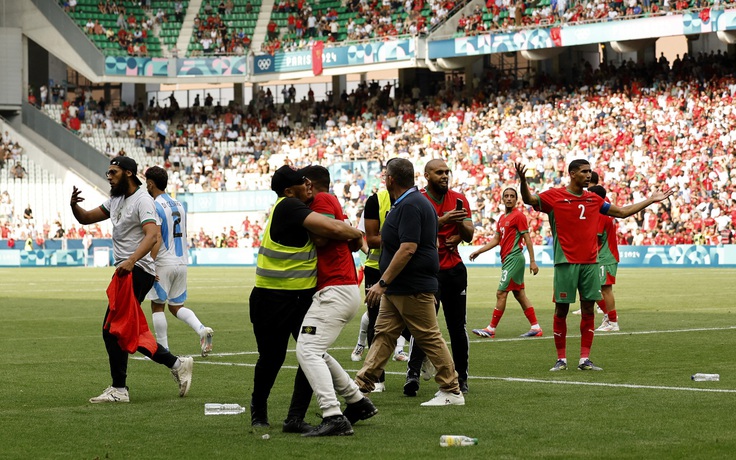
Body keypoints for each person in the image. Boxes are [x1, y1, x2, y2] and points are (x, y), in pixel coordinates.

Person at [515, 160, 674, 371]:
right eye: (584, 172)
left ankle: (584, 359)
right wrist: (524, 181)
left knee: (588, 309)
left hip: (590, 263)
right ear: (572, 174)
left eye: (590, 171)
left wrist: (651, 200)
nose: (589, 175)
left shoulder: (594, 199)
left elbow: (623, 212)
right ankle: (561, 359)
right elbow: (529, 199)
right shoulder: (554, 196)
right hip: (565, 263)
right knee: (561, 310)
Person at [70, 156, 193, 403]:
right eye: (108, 172)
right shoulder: (116, 200)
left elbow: (152, 235)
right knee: (121, 330)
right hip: (127, 271)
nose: (108, 176)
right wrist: (74, 205)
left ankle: (120, 389)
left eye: (113, 172)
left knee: (112, 330)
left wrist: (132, 260)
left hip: (136, 271)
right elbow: (85, 218)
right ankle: (176, 363)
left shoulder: (144, 200)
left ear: (128, 173)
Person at [249, 165, 363, 430]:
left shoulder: (297, 206)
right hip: (272, 299)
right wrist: (357, 234)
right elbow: (332, 229)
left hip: (300, 298)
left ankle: (295, 418)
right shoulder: (289, 206)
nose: (309, 184)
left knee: (309, 353)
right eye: (303, 182)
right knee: (272, 357)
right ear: (289, 191)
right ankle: (259, 411)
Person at [356, 158, 464, 407]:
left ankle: (452, 390)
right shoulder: (411, 202)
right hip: (400, 287)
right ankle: (361, 386)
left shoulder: (410, 204)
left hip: (411, 285)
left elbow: (408, 248)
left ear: (389, 179)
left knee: (429, 337)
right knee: (383, 335)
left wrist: (382, 282)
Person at [295, 165, 377, 437]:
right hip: (339, 287)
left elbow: (321, 236)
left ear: (308, 183)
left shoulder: (322, 199)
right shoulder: (330, 202)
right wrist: (350, 230)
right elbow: (352, 241)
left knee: (307, 350)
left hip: (335, 289)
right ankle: (357, 401)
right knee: (315, 350)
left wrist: (348, 231)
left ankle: (333, 414)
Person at [404, 159, 474, 398]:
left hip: (454, 270)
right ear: (426, 175)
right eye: (439, 172)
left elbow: (470, 235)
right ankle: (412, 374)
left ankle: (461, 377)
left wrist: (460, 228)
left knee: (457, 327)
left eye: (447, 172)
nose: (445, 176)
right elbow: (418, 231)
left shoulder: (459, 199)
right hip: (427, 271)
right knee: (424, 326)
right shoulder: (418, 200)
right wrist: (444, 220)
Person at [143, 166, 214, 356]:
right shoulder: (180, 205)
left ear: (151, 183)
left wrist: (151, 263)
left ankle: (163, 350)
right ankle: (201, 329)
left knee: (157, 305)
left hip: (164, 262)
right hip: (182, 261)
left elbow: (156, 237)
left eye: (146, 183)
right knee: (176, 307)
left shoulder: (154, 206)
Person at [469, 187, 542, 339]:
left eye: (512, 196)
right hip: (507, 259)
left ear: (516, 199)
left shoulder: (519, 216)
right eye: (506, 196)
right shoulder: (502, 218)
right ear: (502, 199)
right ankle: (535, 327)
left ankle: (491, 328)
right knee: (519, 294)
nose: (509, 198)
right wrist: (479, 251)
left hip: (514, 258)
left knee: (501, 293)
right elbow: (496, 240)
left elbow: (527, 238)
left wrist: (533, 261)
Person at [588, 185, 620, 332]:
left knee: (605, 289)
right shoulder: (604, 210)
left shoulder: (600, 214)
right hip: (603, 255)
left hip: (605, 256)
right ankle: (608, 317)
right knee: (593, 289)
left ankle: (613, 322)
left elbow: (596, 237)